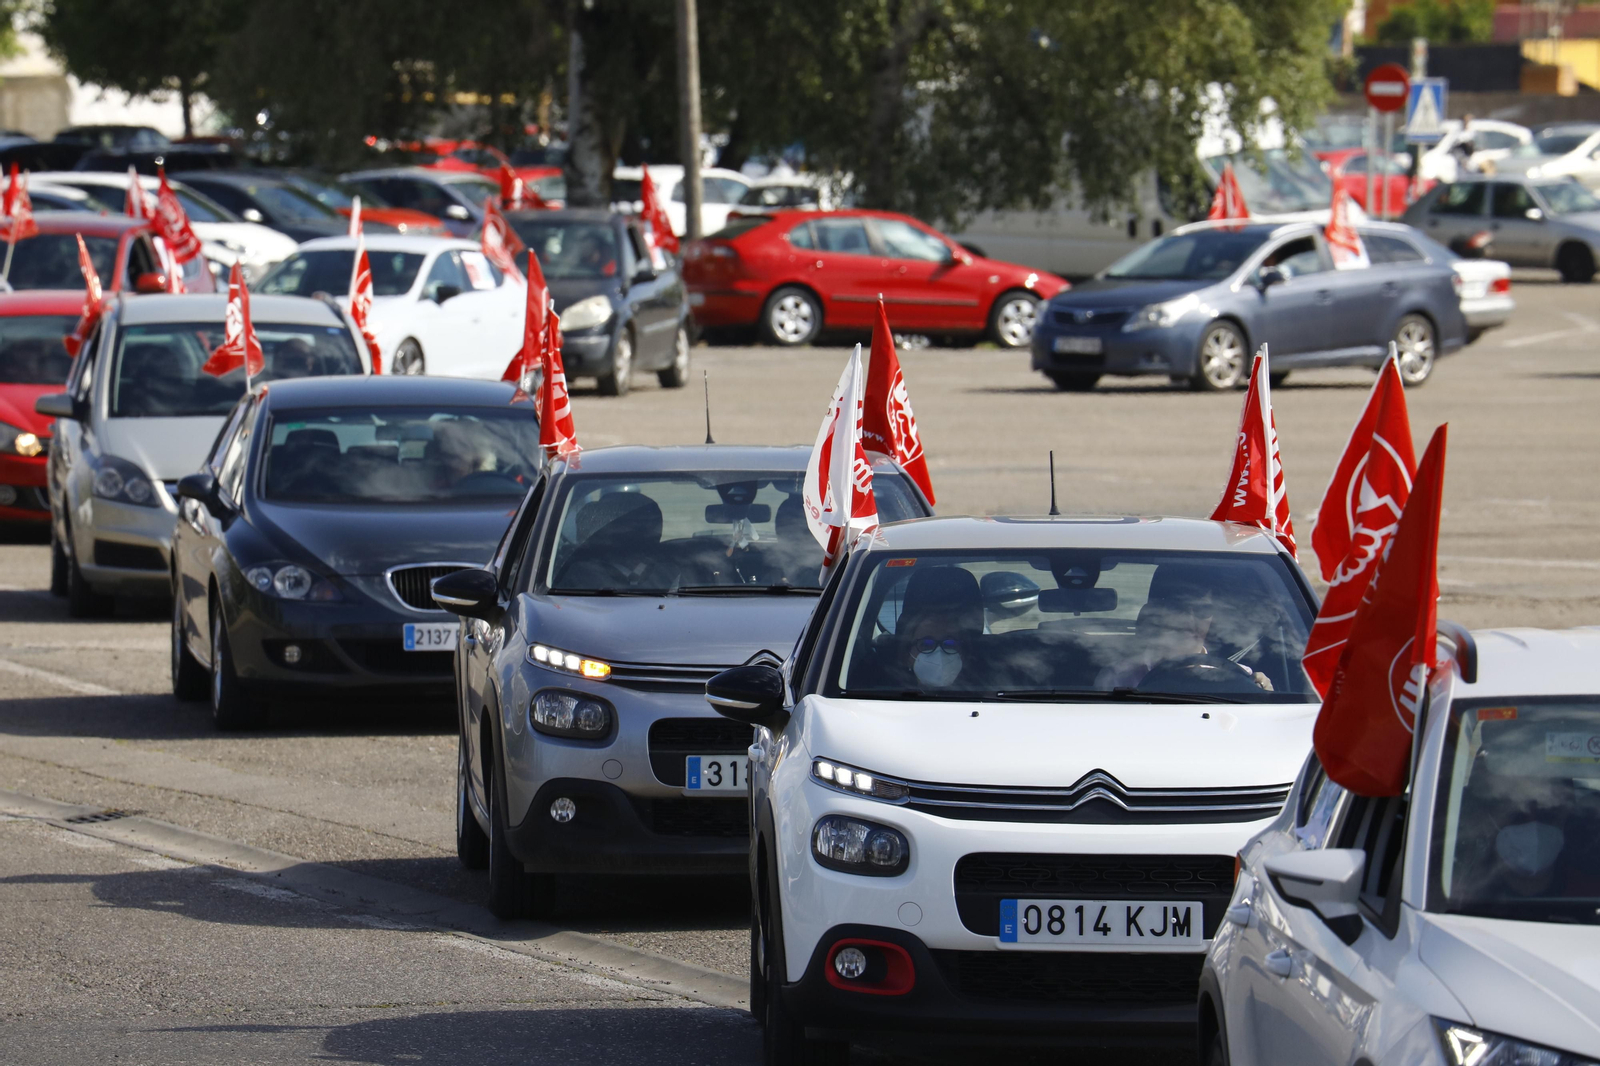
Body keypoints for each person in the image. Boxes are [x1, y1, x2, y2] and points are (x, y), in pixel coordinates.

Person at [890, 566, 986, 690]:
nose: (939, 654)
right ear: (906, 655)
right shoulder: (876, 699)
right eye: (926, 644)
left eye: (950, 644)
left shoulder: (992, 699)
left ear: (965, 654)